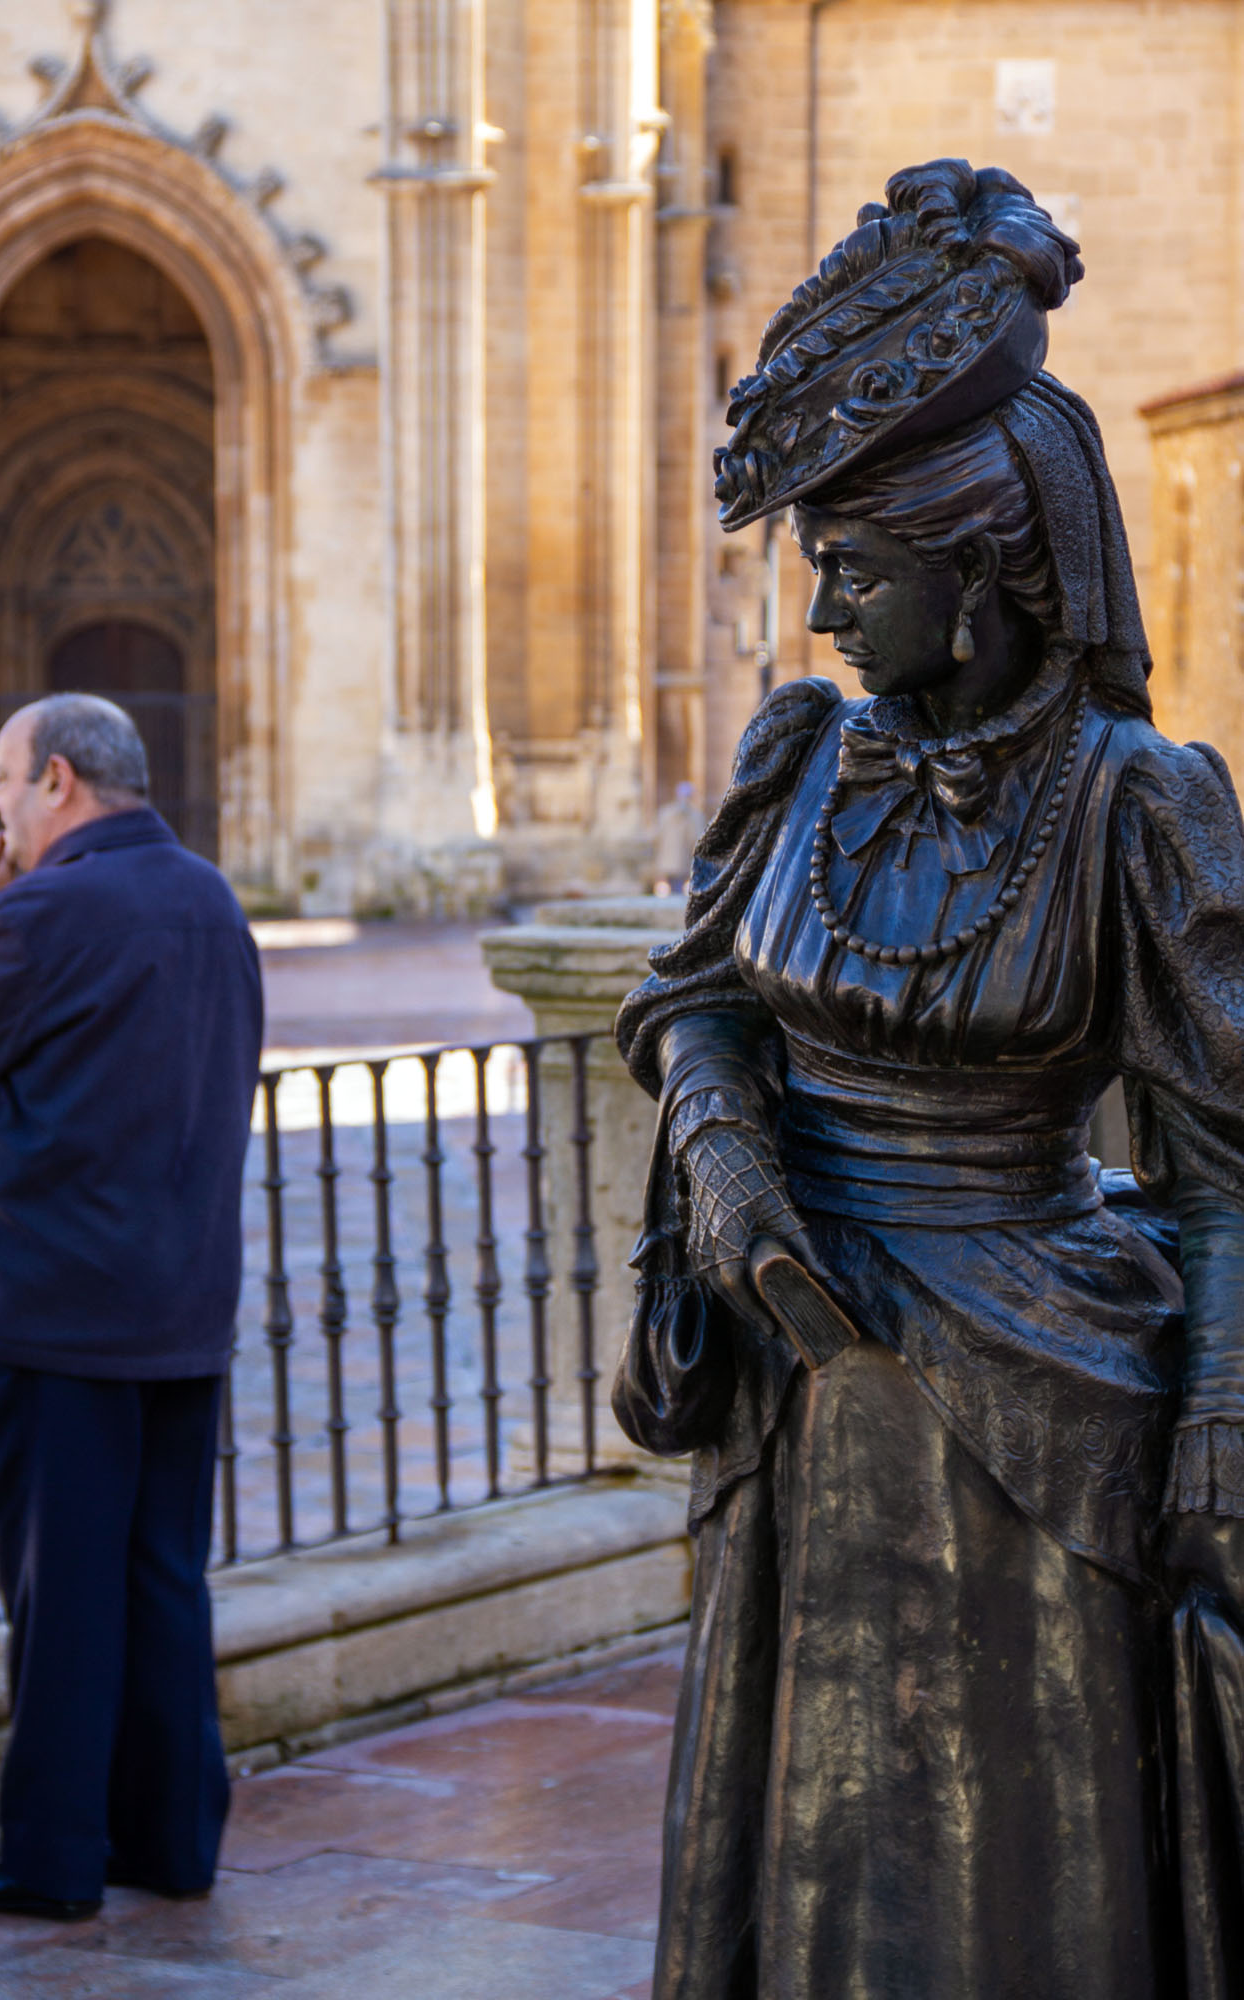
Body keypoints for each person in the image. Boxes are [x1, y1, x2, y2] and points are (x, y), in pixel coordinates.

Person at [613, 160, 1244, 1997]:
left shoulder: (1134, 803)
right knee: (812, 1833)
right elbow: (691, 995)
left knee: (999, 1860)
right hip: (806, 1407)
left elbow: (1222, 1163)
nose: (822, 616)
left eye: (856, 573)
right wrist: (723, 1155)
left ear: (983, 578)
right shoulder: (800, 755)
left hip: (1035, 1421)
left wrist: (1216, 1439)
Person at [0, 694, 263, 1921]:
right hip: (175, 1304)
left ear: (58, 779)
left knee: (58, 1593)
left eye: (3, 782)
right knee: (161, 1576)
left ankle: (53, 1857)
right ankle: (170, 1838)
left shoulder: (47, 904)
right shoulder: (209, 897)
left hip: (49, 1308)